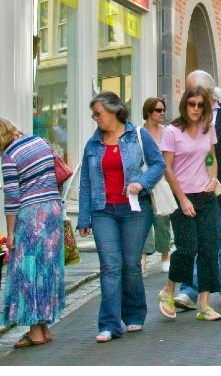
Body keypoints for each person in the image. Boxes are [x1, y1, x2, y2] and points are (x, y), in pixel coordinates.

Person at [77, 92, 165, 342]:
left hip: (135, 210)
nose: (96, 119)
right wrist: (84, 217)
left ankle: (134, 314)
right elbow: (85, 181)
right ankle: (109, 324)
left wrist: (141, 182)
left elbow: (158, 164)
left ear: (114, 111)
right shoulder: (93, 144)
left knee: (130, 264)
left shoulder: (138, 135)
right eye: (94, 114)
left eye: (98, 113)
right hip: (103, 210)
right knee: (109, 266)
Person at [0, 116, 65, 348]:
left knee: (28, 272)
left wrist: (10, 233)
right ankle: (45, 327)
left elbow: (12, 198)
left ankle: (35, 331)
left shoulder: (10, 156)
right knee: (48, 270)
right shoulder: (39, 142)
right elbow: (57, 177)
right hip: (53, 209)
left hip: (31, 217)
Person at [175, 70, 221, 310]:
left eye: (193, 90)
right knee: (196, 243)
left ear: (207, 93)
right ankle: (190, 290)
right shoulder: (186, 123)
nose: (190, 97)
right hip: (194, 192)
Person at [158, 86, 221, 321]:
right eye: (191, 104)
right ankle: (169, 290)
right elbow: (167, 168)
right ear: (185, 105)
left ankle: (204, 304)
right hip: (181, 195)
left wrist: (213, 178)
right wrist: (182, 199)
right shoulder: (172, 132)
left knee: (208, 248)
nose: (195, 109)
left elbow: (210, 156)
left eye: (200, 105)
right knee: (187, 247)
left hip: (205, 194)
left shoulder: (208, 129)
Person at [140, 97, 172, 273]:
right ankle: (143, 257)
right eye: (158, 110)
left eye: (163, 110)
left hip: (162, 181)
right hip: (144, 180)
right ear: (149, 113)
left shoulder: (166, 132)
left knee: (162, 220)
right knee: (143, 219)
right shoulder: (138, 132)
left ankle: (165, 254)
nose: (162, 113)